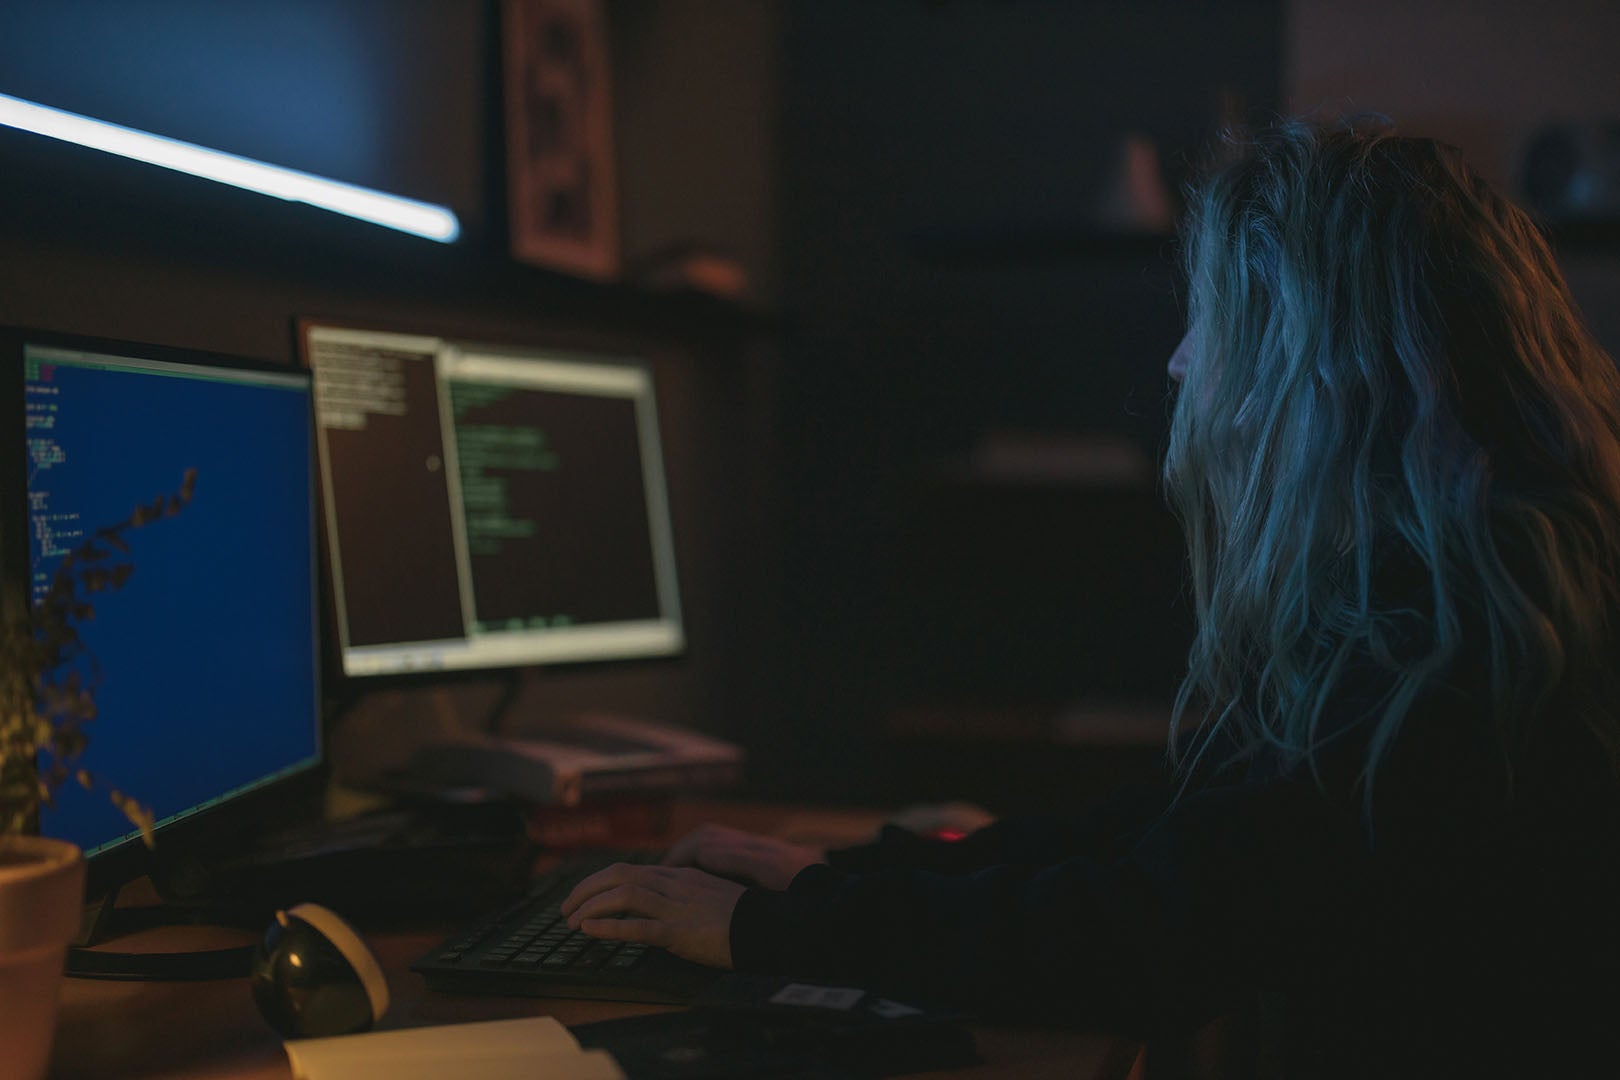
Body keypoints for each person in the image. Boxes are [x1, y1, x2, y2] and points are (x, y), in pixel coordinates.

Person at [562, 118, 1620, 1076]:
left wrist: (767, 932)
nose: (1175, 361)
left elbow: (1147, 935)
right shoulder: (1478, 587)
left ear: (1310, 361)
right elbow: (1178, 836)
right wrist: (826, 881)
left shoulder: (1461, 666)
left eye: (1212, 321)